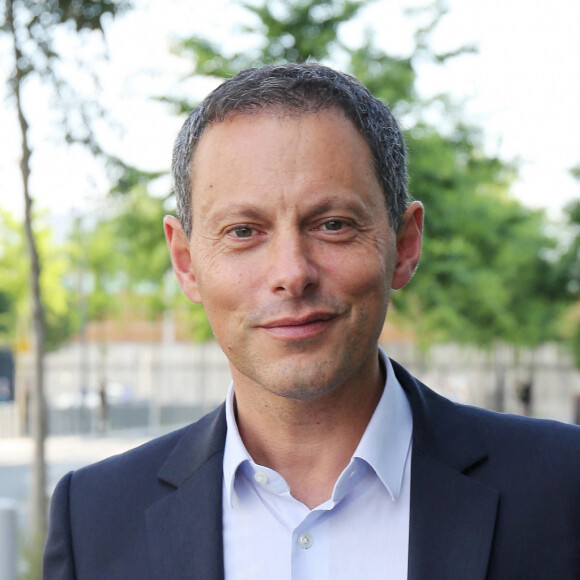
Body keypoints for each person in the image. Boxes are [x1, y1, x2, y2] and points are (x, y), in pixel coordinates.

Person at [43, 63, 580, 579]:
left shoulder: (561, 486)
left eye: (332, 224)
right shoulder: (93, 519)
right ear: (186, 262)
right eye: (243, 231)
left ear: (405, 244)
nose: (291, 274)